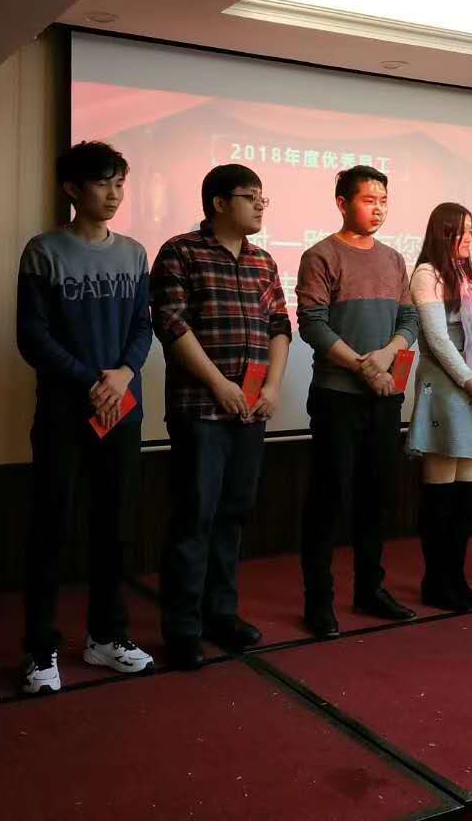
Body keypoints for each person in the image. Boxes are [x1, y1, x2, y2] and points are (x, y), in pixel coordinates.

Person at [16, 141, 154, 694]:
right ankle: (40, 648)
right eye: (102, 183)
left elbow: (142, 325)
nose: (114, 194)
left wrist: (122, 374)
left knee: (115, 526)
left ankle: (107, 635)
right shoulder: (43, 251)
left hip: (122, 408)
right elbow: (33, 336)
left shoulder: (134, 253)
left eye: (120, 183)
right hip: (63, 410)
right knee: (50, 528)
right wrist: (90, 380)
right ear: (72, 189)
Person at [150, 164, 291, 670]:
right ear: (218, 203)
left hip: (250, 411)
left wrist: (271, 387)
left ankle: (221, 614)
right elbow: (171, 324)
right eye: (251, 197)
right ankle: (183, 628)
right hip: (200, 410)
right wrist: (219, 384)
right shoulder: (181, 252)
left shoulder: (263, 261)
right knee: (195, 517)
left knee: (233, 515)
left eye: (263, 198)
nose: (260, 205)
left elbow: (280, 325)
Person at [295, 165, 421, 638]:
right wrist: (362, 366)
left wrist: (386, 356)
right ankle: (319, 601)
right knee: (328, 500)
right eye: (369, 200)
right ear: (342, 203)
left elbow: (409, 318)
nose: (378, 208)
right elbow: (312, 324)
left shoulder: (393, 259)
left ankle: (370, 590)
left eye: (383, 200)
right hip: (337, 396)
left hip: (384, 396)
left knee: (376, 497)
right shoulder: (320, 255)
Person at [407, 203, 472, 612]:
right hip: (448, 390)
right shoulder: (426, 274)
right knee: (441, 495)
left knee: (466, 494)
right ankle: (436, 581)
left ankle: (457, 577)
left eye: (470, 230)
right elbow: (437, 340)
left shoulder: (467, 277)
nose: (468, 238)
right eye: (460, 231)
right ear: (442, 233)